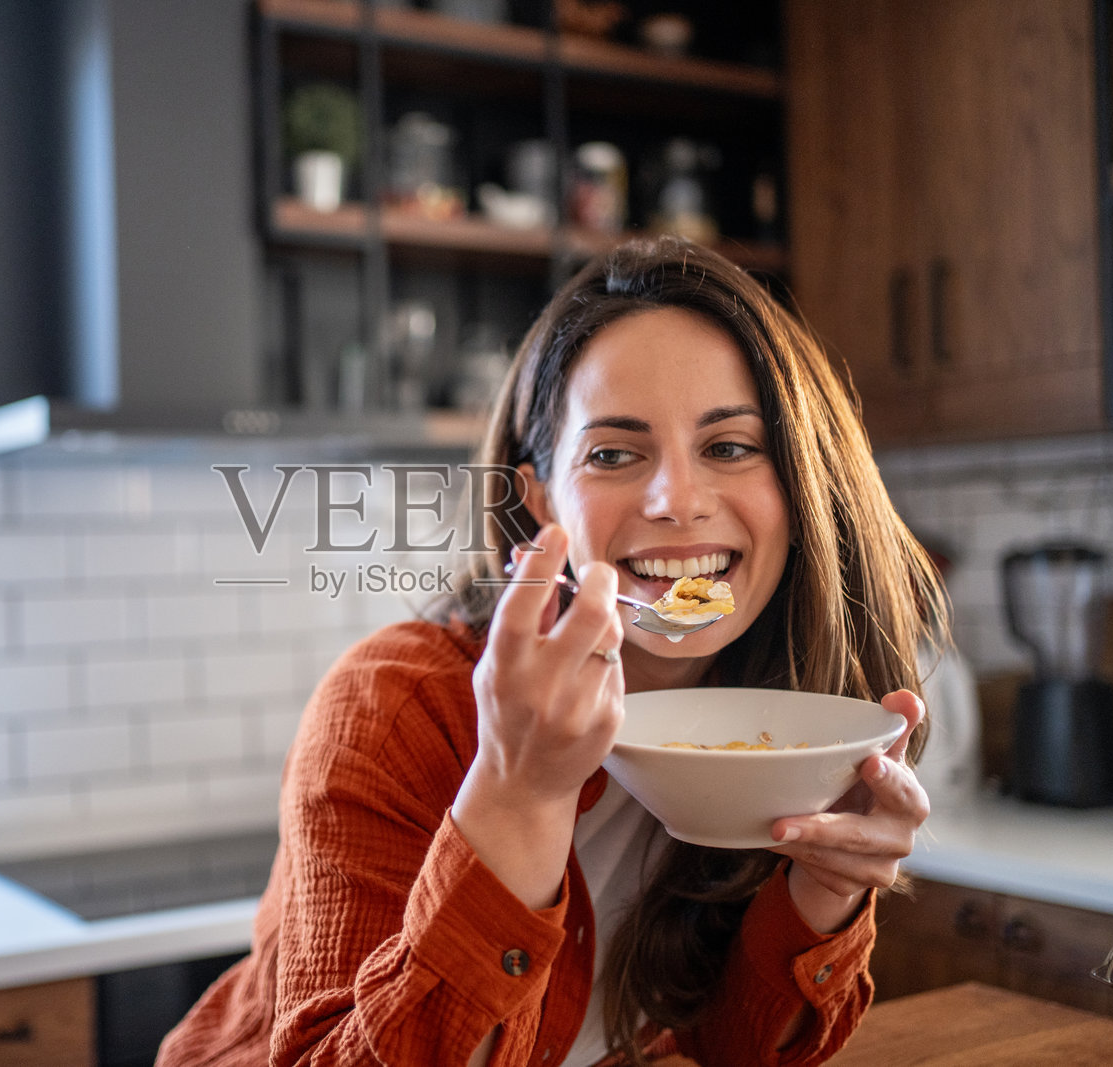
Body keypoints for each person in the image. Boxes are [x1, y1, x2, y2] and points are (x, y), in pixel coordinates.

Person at [157, 236, 944, 1067]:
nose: (677, 500)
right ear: (538, 502)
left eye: (730, 446)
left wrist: (822, 890)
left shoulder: (782, 721)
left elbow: (737, 1049)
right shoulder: (395, 707)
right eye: (611, 454)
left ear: (800, 483)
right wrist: (520, 791)